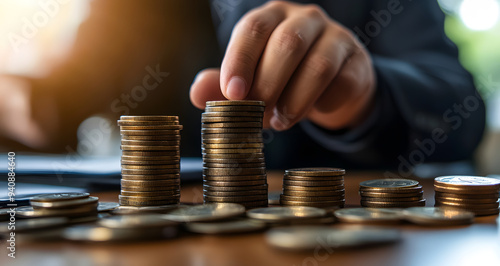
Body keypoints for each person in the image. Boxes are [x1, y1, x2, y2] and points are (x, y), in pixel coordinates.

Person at [0, 0, 485, 171]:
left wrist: (365, 97)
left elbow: (462, 109)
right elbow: (61, 96)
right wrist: (21, 99)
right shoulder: (131, 7)